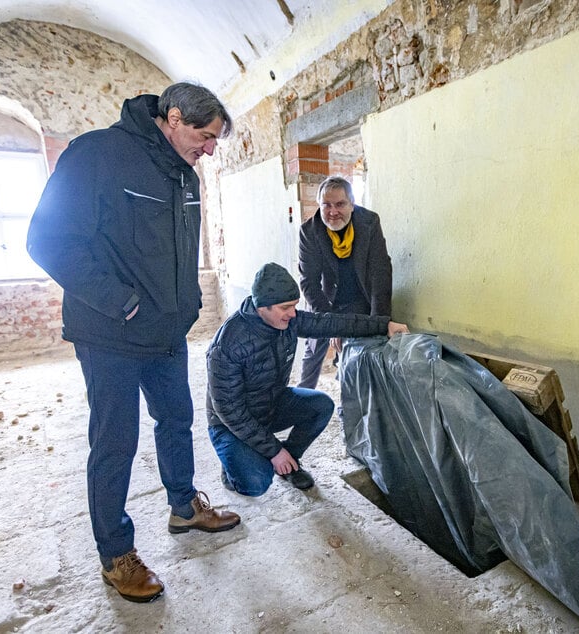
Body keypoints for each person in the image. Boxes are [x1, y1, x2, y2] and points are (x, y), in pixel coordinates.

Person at [26, 82, 241, 604]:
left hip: (166, 331)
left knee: (177, 420)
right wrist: (120, 300)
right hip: (109, 333)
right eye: (205, 136)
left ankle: (184, 505)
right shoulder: (96, 154)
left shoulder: (184, 175)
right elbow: (47, 241)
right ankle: (116, 554)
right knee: (116, 443)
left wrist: (187, 302)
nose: (210, 148)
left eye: (215, 140)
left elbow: (182, 252)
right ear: (172, 118)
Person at [206, 262, 409, 495]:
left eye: (294, 306)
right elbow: (230, 411)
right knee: (255, 483)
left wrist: (384, 325)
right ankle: (232, 471)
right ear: (263, 306)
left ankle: (289, 463)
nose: (292, 313)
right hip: (230, 424)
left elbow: (331, 322)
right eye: (285, 307)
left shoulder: (289, 321)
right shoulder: (228, 345)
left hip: (271, 405)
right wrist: (273, 452)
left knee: (320, 405)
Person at [297, 176, 393, 389]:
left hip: (360, 299)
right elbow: (309, 282)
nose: (333, 212)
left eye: (340, 204)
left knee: (359, 355)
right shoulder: (309, 231)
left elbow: (380, 273)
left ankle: (353, 408)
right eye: (326, 205)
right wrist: (330, 326)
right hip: (324, 301)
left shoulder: (369, 223)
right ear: (319, 205)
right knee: (313, 355)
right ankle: (301, 403)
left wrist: (379, 322)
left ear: (352, 204)